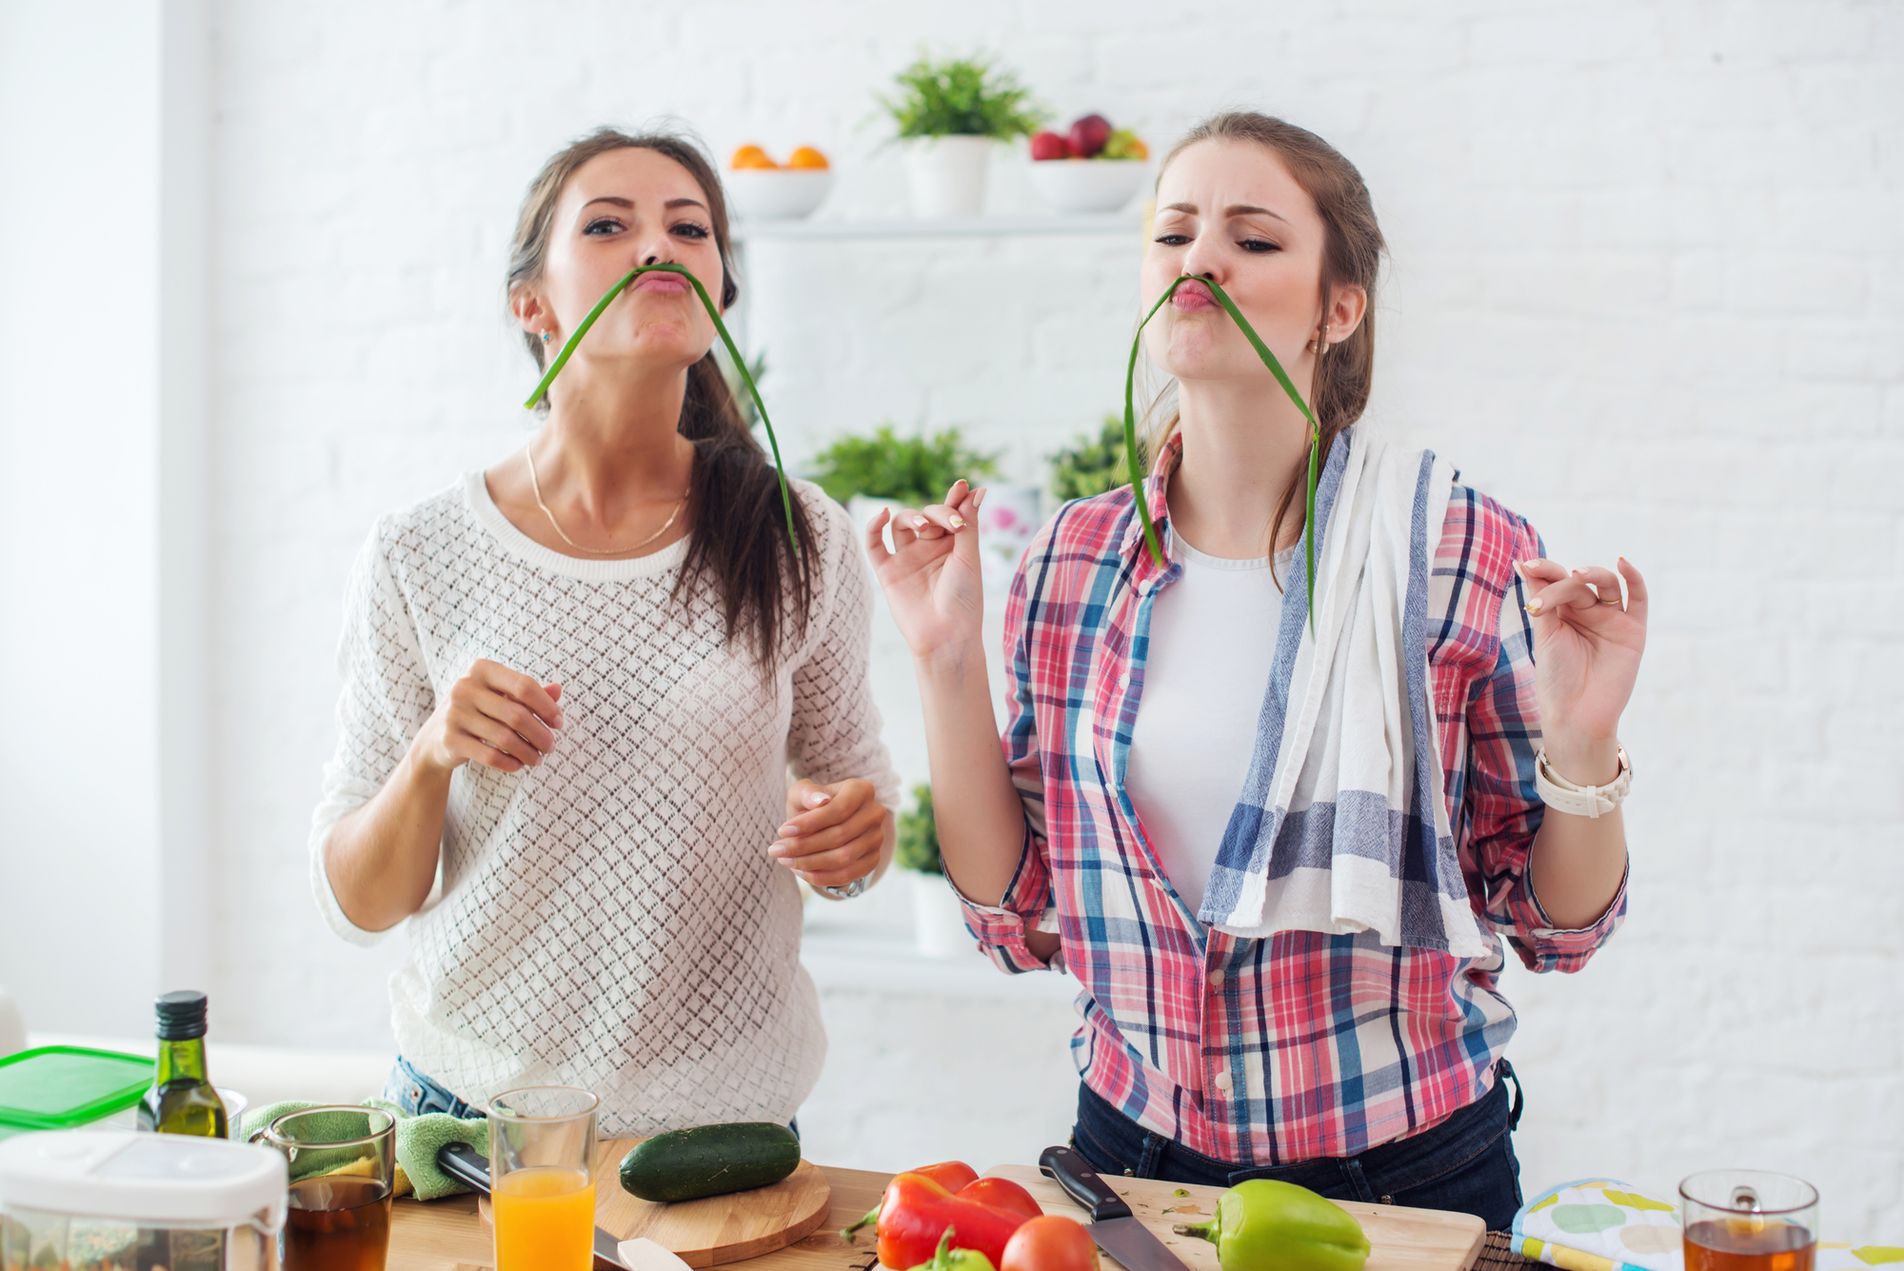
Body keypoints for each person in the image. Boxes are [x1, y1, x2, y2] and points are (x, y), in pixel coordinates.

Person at [866, 112, 1645, 1227]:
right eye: (1173, 232)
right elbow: (1016, 908)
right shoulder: (1071, 560)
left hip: (1405, 1177)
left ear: (1339, 306)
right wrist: (943, 662)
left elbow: (1553, 926)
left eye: (1252, 238)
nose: (1200, 260)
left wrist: (1582, 747)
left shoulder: (1453, 549)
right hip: (1127, 1155)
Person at [310, 126, 897, 1135]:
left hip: (725, 1130)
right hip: (469, 1115)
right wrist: (430, 753)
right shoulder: (419, 550)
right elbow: (361, 902)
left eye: (689, 226)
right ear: (529, 302)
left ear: (719, 295)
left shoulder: (799, 535)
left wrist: (855, 834)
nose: (655, 246)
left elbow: (854, 812)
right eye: (607, 224)